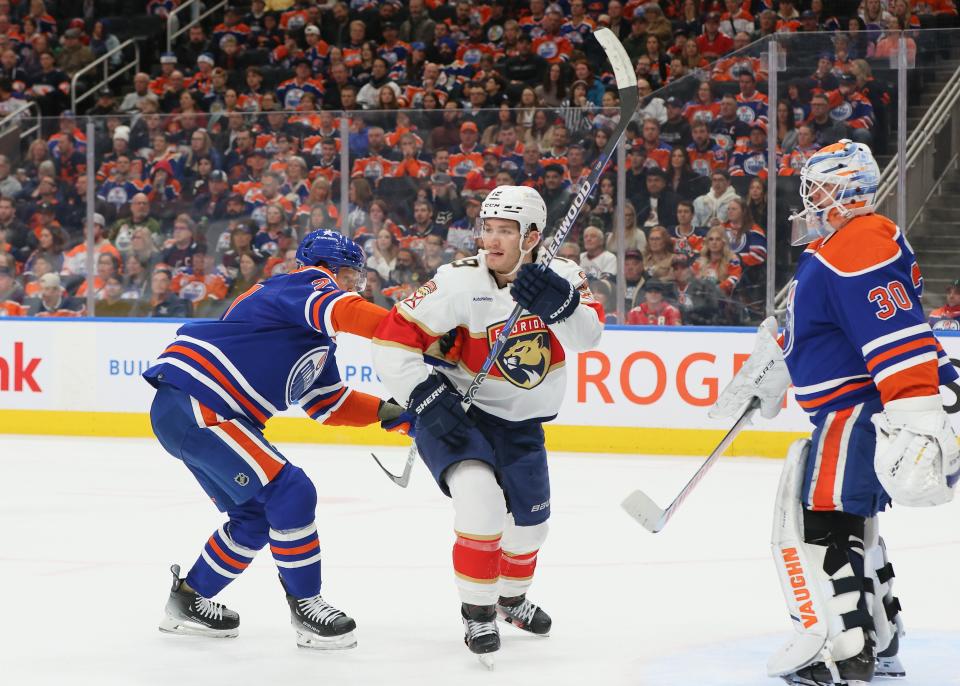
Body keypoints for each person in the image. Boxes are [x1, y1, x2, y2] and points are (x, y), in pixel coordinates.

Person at [710, 140, 960, 686]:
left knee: (822, 523)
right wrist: (775, 368)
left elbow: (896, 334)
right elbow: (827, 330)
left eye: (819, 187)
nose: (810, 198)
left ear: (848, 190)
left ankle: (845, 651)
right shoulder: (842, 246)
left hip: (854, 413)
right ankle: (882, 640)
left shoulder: (859, 242)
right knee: (854, 523)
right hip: (856, 412)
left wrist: (917, 409)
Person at [142, 230, 414, 650]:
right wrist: (417, 333)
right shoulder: (301, 283)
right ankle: (307, 605)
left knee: (253, 519)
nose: (352, 286)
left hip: (193, 409)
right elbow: (347, 311)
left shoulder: (312, 336)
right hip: (201, 401)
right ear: (323, 268)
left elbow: (329, 404)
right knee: (291, 491)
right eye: (347, 276)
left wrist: (389, 414)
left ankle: (188, 601)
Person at [370, 185, 604, 666]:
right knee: (480, 504)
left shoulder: (563, 276)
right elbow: (391, 338)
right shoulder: (458, 280)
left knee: (530, 530)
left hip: (521, 426)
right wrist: (424, 395)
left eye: (505, 231)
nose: (491, 241)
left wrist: (560, 307)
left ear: (533, 237)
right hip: (457, 415)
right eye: (488, 229)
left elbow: (590, 338)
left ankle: (511, 602)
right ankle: (477, 613)